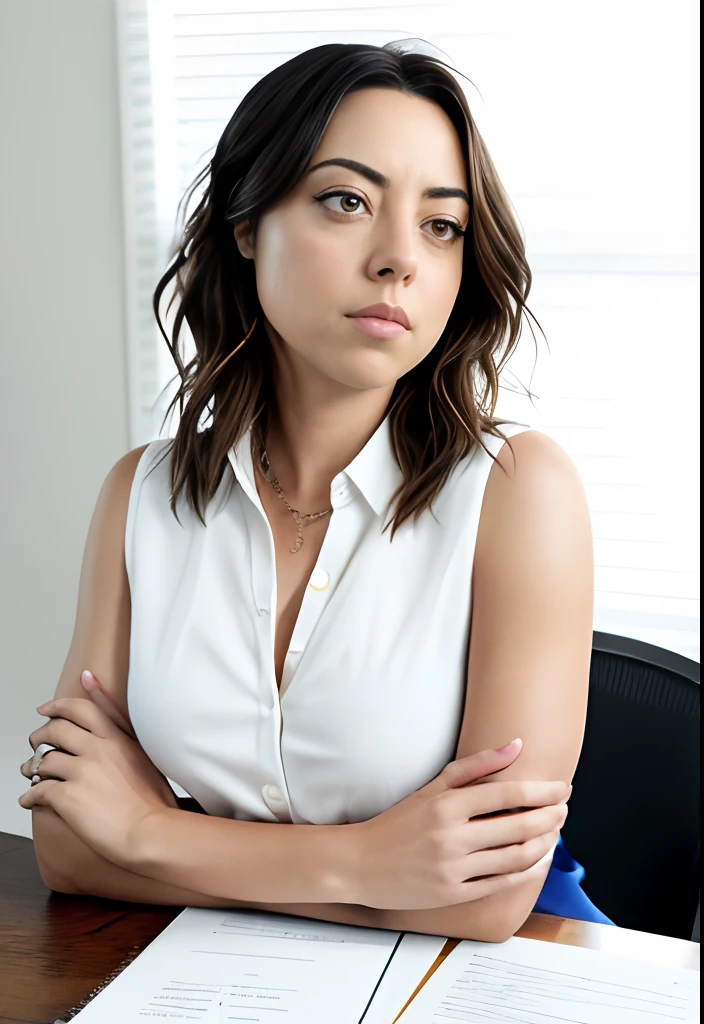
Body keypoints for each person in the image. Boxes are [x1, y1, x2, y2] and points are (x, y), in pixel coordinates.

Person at [19, 41, 613, 938]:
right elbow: (68, 849)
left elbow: (486, 899)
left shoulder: (521, 491)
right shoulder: (141, 496)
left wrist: (148, 833)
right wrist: (372, 864)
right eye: (347, 200)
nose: (398, 260)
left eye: (441, 225)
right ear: (249, 223)